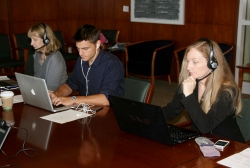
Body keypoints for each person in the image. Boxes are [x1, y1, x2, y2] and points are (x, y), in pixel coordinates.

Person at [163, 38, 245, 143]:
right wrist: (147, 116)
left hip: (228, 146)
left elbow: (206, 127)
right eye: (188, 61)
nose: (188, 67)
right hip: (201, 142)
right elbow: (170, 112)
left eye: (195, 62)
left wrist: (188, 96)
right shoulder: (190, 84)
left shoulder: (227, 91)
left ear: (213, 64)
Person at [49, 24, 124, 106]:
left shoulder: (112, 64)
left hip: (108, 112)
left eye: (85, 48)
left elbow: (106, 99)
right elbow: (71, 84)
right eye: (78, 48)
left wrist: (73, 99)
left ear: (97, 44)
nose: (80, 53)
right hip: (85, 109)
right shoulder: (81, 60)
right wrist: (56, 95)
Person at [27, 23, 67, 91]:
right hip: (41, 91)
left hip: (55, 95)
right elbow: (37, 78)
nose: (31, 43)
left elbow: (51, 88)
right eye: (31, 39)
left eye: (35, 39)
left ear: (46, 40)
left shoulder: (55, 58)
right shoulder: (37, 53)